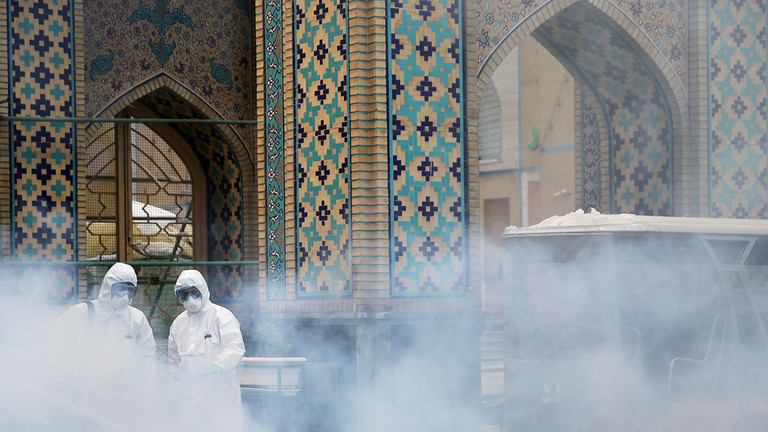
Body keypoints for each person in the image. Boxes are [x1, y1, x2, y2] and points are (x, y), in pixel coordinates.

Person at [51, 262, 156, 430]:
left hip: (123, 404)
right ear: (108, 287)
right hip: (86, 401)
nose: (125, 295)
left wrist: (147, 397)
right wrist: (63, 379)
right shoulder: (83, 313)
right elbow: (55, 344)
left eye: (130, 291)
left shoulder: (137, 319)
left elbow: (148, 360)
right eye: (120, 289)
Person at [168, 269, 246, 431]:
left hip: (219, 395)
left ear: (203, 290)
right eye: (184, 294)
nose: (190, 298)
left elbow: (235, 347)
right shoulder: (178, 324)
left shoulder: (221, 316)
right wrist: (175, 392)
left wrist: (217, 365)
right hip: (189, 398)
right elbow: (174, 364)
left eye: (194, 292)